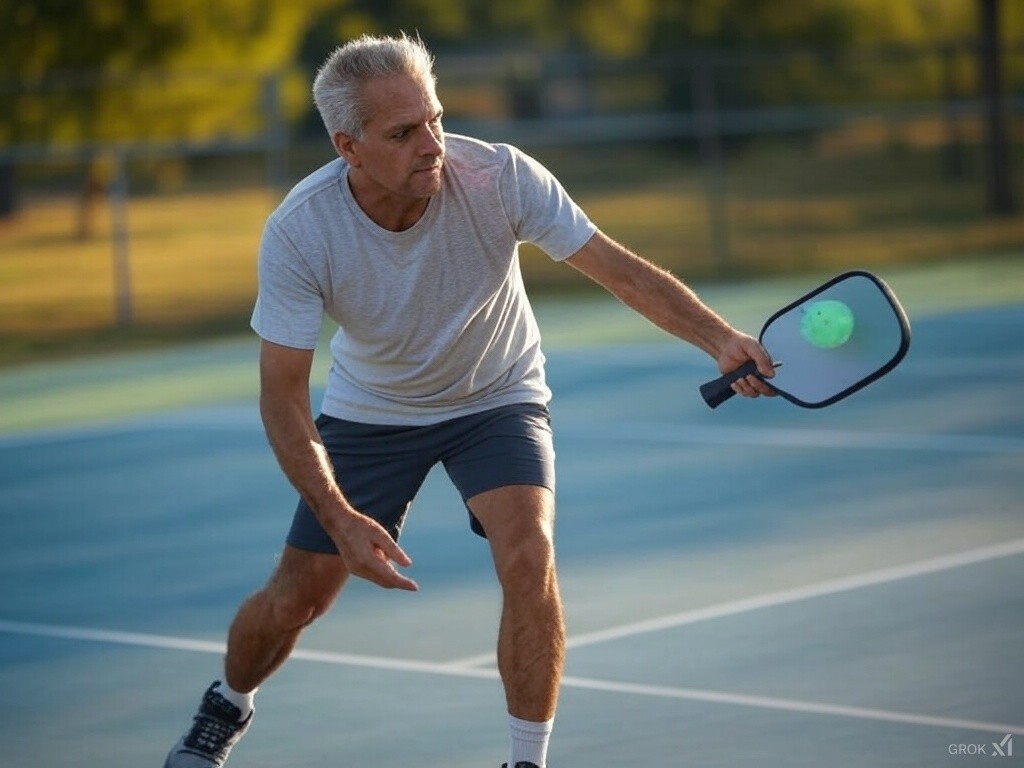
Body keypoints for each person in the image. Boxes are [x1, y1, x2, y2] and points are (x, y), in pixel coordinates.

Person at [163, 32, 775, 768]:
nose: (432, 144)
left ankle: (526, 760)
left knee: (529, 552)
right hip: (374, 412)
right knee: (297, 601)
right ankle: (226, 703)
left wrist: (719, 340)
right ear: (348, 147)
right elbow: (282, 395)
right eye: (403, 133)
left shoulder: (499, 177)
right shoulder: (302, 230)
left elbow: (621, 273)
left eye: (435, 119)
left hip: (498, 395)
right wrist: (342, 519)